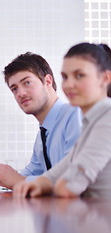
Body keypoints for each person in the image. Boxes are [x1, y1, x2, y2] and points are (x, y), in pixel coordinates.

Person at [14, 42, 111, 198]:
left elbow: (69, 186)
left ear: (105, 78)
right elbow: (60, 171)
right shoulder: (91, 121)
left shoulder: (107, 117)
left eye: (79, 75)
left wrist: (52, 184)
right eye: (65, 77)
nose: (69, 84)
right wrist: (43, 183)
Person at [0, 52, 82, 189]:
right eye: (14, 89)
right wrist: (0, 178)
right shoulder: (43, 135)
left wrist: (17, 180)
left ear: (48, 81)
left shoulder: (75, 116)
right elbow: (32, 171)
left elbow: (74, 177)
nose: (20, 93)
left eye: (27, 82)